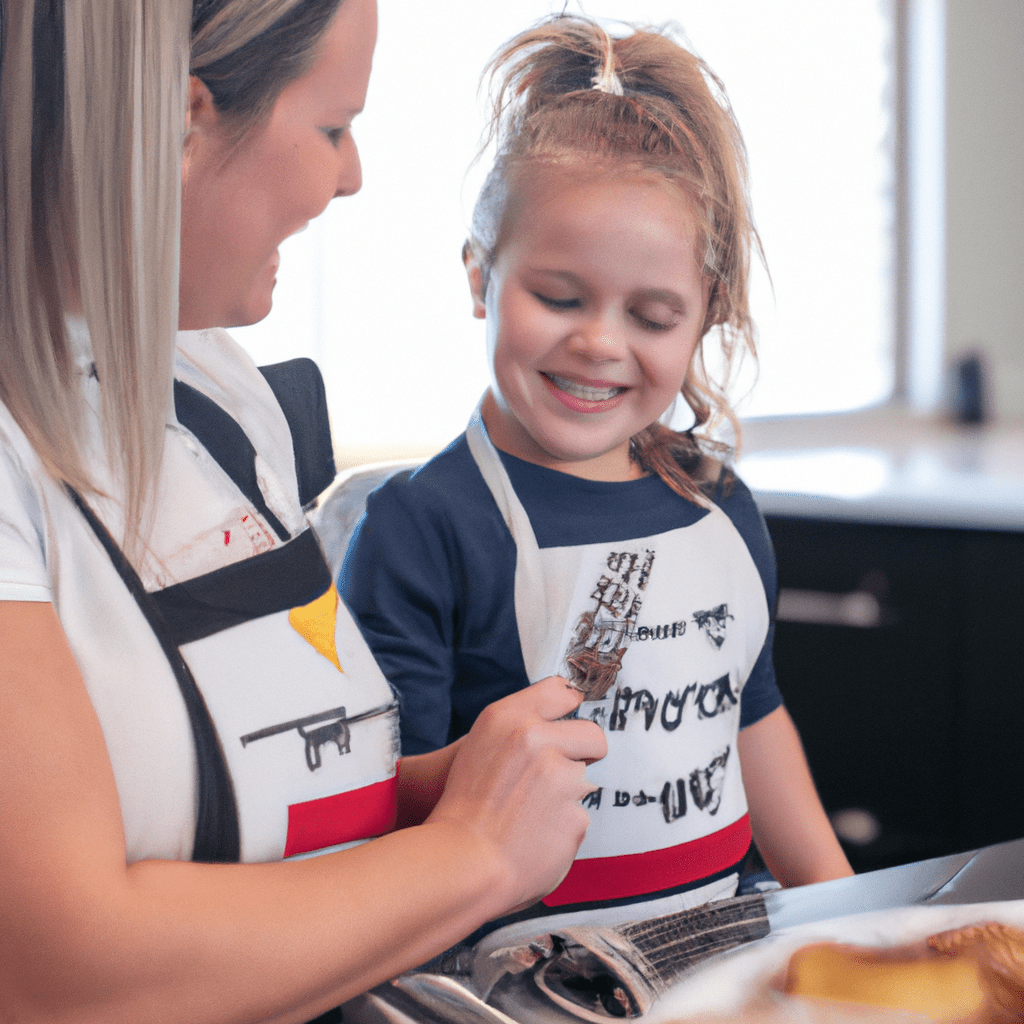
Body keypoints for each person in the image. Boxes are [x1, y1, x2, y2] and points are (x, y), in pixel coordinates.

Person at [0, 2, 607, 1022]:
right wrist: (473, 854)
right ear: (184, 123)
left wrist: (436, 792)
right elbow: (64, 973)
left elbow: (251, 793)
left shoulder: (220, 389)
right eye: (332, 127)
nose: (350, 175)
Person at [339, 14, 853, 931]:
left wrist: (843, 913)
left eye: (652, 317)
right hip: (513, 974)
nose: (599, 343)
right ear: (477, 275)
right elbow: (377, 804)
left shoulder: (719, 507)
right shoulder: (422, 529)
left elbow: (752, 718)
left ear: (706, 319)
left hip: (722, 952)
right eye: (559, 297)